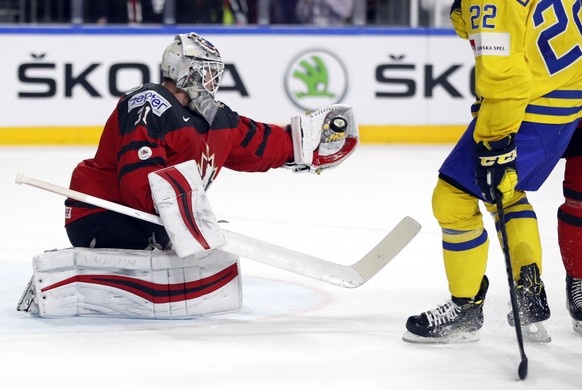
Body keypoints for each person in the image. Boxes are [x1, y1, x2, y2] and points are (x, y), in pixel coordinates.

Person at [64, 32, 357, 252]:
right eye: (207, 72)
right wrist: (180, 221)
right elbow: (136, 180)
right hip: (104, 214)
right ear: (187, 71)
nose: (212, 80)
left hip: (156, 223)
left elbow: (258, 143)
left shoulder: (215, 119)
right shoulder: (149, 102)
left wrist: (310, 144)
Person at [403, 0, 582, 344]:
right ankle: (528, 291)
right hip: (563, 105)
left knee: (452, 198)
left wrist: (495, 143)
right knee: (507, 191)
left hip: (529, 110)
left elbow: (504, 76)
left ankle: (465, 309)